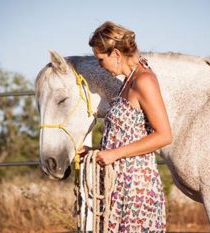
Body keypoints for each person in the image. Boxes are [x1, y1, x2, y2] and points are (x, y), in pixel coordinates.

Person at [78, 21, 172, 232]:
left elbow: (164, 135)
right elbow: (126, 135)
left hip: (135, 187)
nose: (100, 66)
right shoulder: (127, 83)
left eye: (101, 59)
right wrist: (94, 153)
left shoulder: (144, 80)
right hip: (120, 185)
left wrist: (115, 154)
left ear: (117, 54)